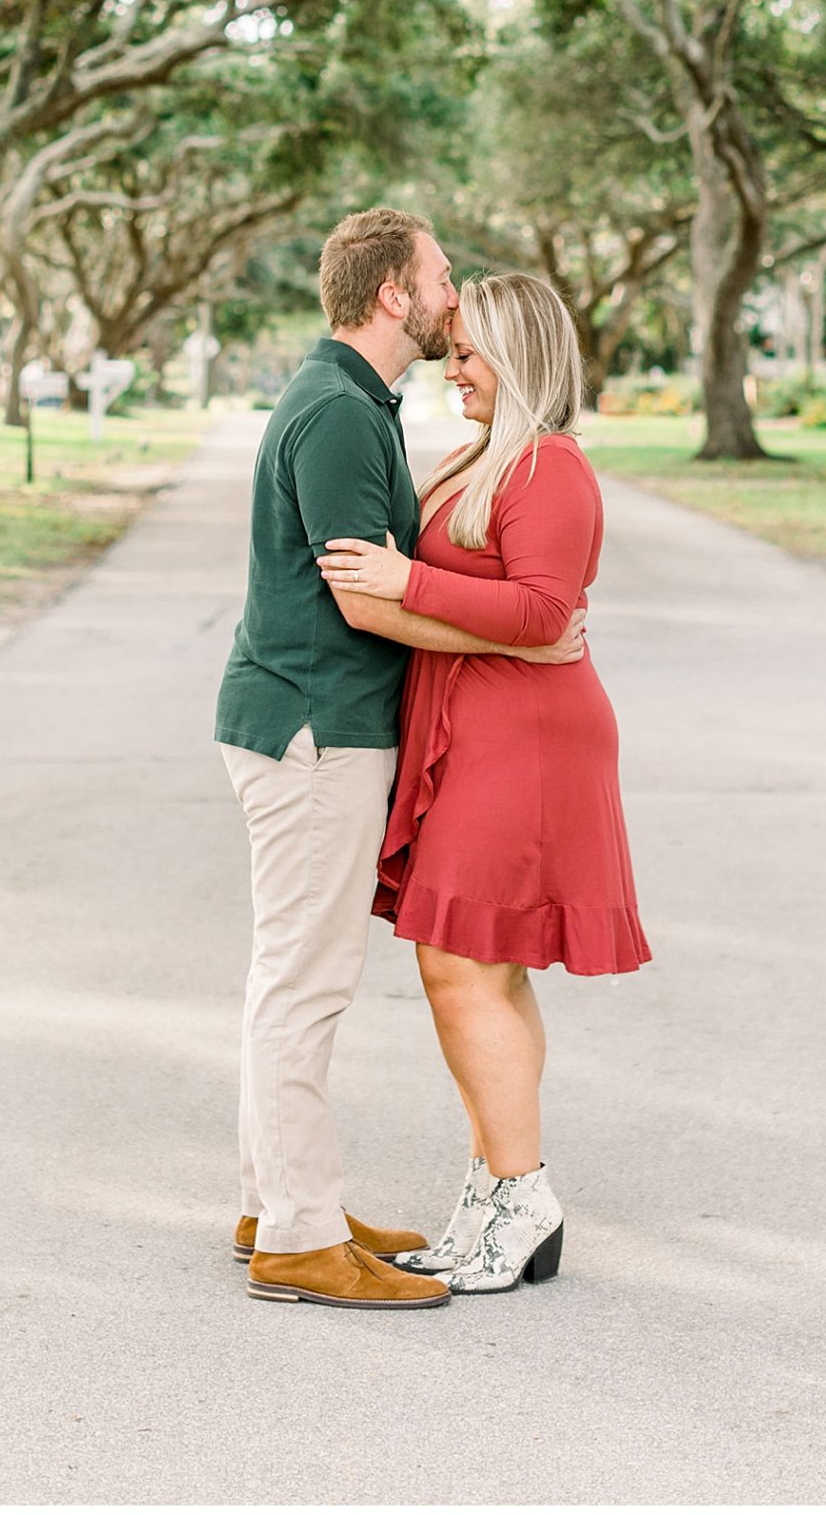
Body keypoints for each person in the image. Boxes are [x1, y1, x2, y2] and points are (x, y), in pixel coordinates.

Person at [215, 212, 588, 1311]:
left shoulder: (354, 403)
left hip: (319, 727)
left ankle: (276, 1200)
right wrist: (523, 633)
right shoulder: (335, 411)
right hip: (312, 730)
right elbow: (361, 595)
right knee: (305, 981)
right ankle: (295, 1234)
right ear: (392, 295)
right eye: (436, 276)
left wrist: (520, 624)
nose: (449, 291)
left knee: (287, 974)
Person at [317, 271, 651, 1295]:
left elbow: (544, 611)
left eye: (468, 351)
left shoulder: (550, 466)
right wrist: (409, 598)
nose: (450, 368)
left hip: (530, 743)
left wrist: (405, 580)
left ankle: (521, 1190)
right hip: (492, 726)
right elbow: (512, 613)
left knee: (460, 964)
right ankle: (499, 1191)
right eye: (452, 349)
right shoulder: (490, 457)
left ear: (518, 353)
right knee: (483, 967)